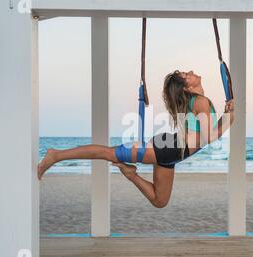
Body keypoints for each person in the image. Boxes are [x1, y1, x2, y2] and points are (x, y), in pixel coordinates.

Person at [38, 70, 235, 208]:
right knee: (108, 153)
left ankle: (130, 173)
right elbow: (209, 138)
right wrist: (229, 116)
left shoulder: (196, 101)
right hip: (165, 149)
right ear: (187, 87)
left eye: (186, 73)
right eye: (186, 75)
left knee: (160, 201)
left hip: (171, 153)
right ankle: (55, 155)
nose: (190, 71)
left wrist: (229, 114)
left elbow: (209, 134)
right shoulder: (200, 101)